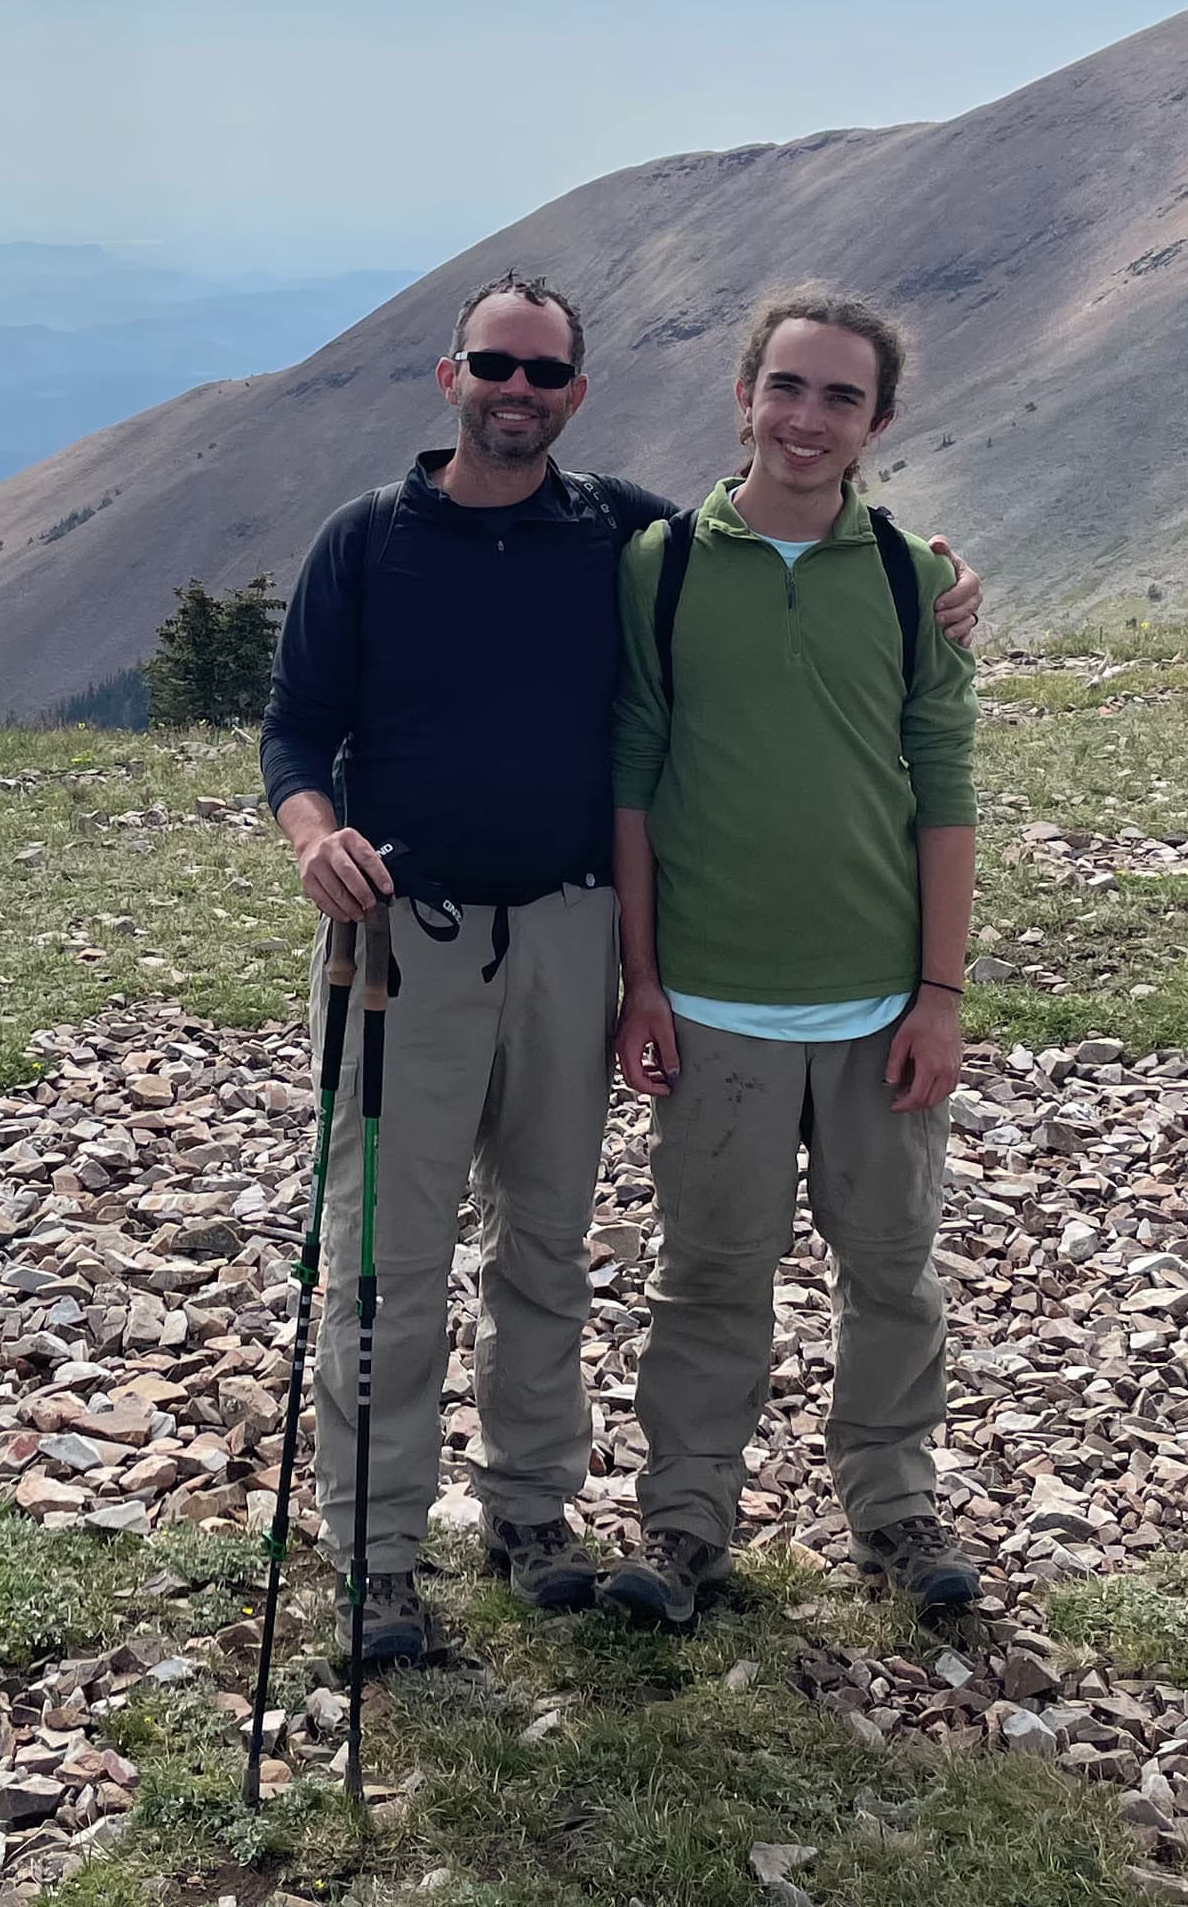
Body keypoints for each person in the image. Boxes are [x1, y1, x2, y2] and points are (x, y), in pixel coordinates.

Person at [262, 273, 980, 1661]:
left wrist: (948, 580)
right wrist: (313, 837)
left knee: (544, 1244)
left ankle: (534, 1515)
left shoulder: (624, 537)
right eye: (495, 365)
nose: (517, 391)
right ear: (450, 374)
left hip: (573, 929)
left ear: (578, 394)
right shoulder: (365, 544)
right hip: (400, 939)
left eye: (544, 374)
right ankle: (378, 1549)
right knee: (386, 1258)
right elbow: (296, 728)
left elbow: (799, 551)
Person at [600, 286, 982, 1632]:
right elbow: (633, 781)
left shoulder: (909, 576)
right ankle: (687, 1521)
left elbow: (944, 784)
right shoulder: (660, 566)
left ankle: (894, 1509)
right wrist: (640, 982)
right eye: (787, 388)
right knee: (710, 1275)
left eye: (839, 397)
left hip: (881, 998)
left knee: (892, 1269)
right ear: (743, 394)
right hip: (713, 1001)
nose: (806, 420)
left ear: (880, 420)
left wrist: (941, 994)